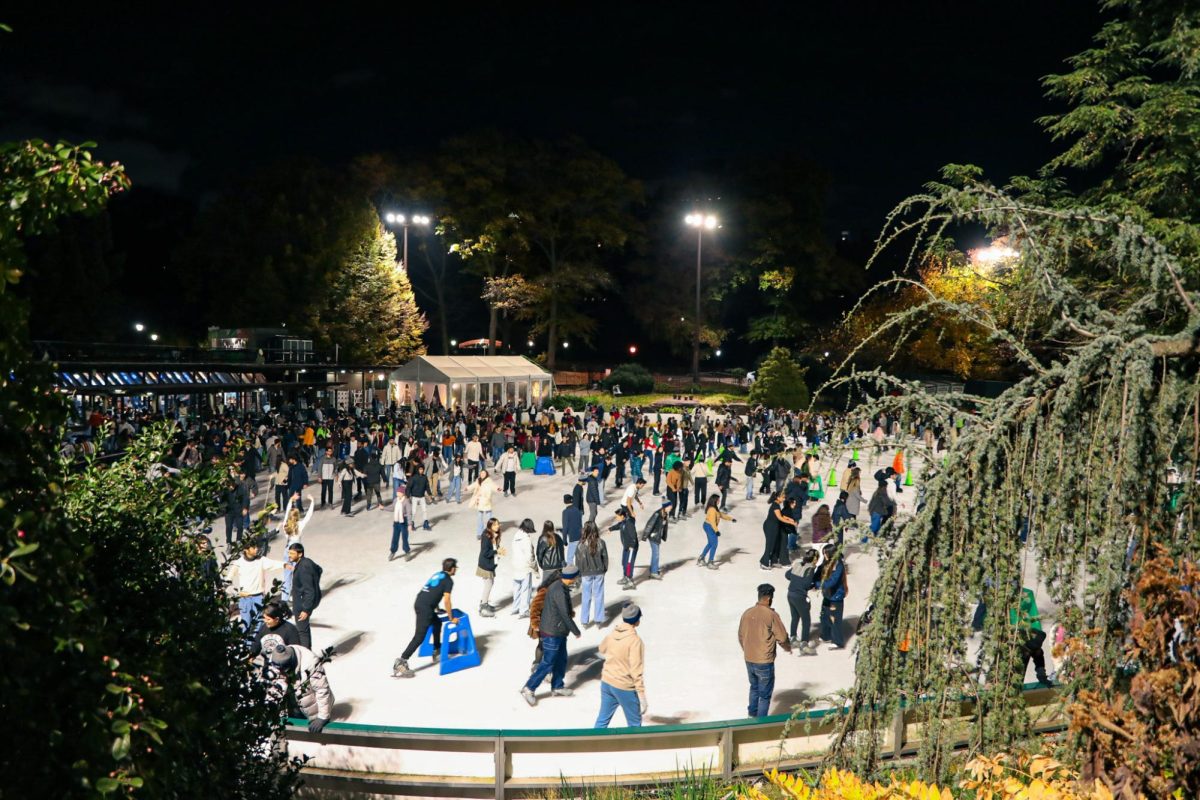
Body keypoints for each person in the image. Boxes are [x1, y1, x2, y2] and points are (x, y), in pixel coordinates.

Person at [521, 564, 582, 706]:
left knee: (561, 659)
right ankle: (529, 688)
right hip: (552, 632)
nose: (577, 579)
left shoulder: (559, 586)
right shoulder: (559, 590)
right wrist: (576, 631)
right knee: (548, 662)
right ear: (571, 577)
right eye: (576, 576)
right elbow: (564, 614)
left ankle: (557, 686)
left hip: (558, 631)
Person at [393, 558, 459, 678]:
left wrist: (437, 609)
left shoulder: (438, 575)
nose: (456, 570)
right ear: (452, 568)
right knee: (419, 636)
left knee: (437, 623)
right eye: (456, 568)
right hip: (425, 608)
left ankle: (437, 649)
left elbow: (433, 591)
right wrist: (451, 618)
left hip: (420, 602)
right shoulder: (449, 581)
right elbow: (447, 600)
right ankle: (401, 661)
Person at [738, 583, 792, 718]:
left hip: (749, 659)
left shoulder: (747, 613)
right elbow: (783, 637)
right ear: (769, 599)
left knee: (754, 688)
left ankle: (751, 716)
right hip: (764, 661)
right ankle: (760, 723)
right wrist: (787, 647)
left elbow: (740, 635)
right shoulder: (771, 615)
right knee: (765, 695)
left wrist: (747, 650)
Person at [262, 635, 334, 733]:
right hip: (294, 701)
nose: (281, 673)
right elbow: (275, 684)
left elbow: (322, 690)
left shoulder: (311, 663)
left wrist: (322, 717)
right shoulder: (276, 658)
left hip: (312, 703)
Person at [595, 603, 648, 728]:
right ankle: (636, 747)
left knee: (602, 720)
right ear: (637, 621)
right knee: (634, 725)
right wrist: (641, 695)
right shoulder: (635, 641)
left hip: (607, 682)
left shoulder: (612, 634)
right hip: (624, 686)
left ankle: (593, 745)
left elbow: (602, 649)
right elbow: (636, 670)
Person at [225, 538, 285, 634]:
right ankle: (247, 647)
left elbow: (274, 564)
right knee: (246, 624)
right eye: (253, 547)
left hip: (259, 597)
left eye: (256, 547)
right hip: (245, 599)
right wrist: (237, 592)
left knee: (259, 624)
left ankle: (255, 646)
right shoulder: (238, 563)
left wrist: (286, 565)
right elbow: (228, 579)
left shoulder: (261, 560)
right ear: (246, 550)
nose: (256, 549)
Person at [287, 543, 322, 649]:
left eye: (292, 553)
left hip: (302, 603)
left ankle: (306, 654)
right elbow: (319, 569)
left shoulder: (303, 568)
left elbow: (309, 591)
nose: (289, 555)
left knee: (302, 631)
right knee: (304, 629)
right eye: (289, 553)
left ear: (300, 554)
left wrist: (306, 609)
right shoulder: (307, 562)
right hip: (305, 601)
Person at [785, 549, 819, 654]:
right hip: (800, 596)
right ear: (814, 559)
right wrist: (813, 586)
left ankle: (793, 638)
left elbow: (787, 575)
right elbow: (806, 584)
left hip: (790, 594)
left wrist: (796, 580)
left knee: (795, 617)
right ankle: (804, 644)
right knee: (806, 620)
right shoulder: (810, 569)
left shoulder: (798, 564)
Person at [577, 521, 608, 627]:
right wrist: (604, 569)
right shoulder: (601, 542)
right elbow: (605, 558)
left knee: (586, 596)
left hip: (586, 573)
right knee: (599, 595)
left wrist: (580, 572)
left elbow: (578, 561)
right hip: (599, 572)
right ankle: (598, 619)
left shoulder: (581, 544)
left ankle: (584, 621)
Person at [818, 545, 847, 649]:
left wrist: (819, 585)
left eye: (825, 553)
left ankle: (837, 641)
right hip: (827, 595)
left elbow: (833, 581)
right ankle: (826, 635)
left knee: (835, 619)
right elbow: (819, 572)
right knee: (824, 615)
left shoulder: (838, 565)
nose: (824, 555)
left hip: (836, 597)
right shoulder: (826, 562)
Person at [509, 518, 538, 618]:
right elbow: (529, 556)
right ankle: (524, 610)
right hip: (524, 567)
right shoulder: (526, 539)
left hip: (515, 565)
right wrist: (534, 567)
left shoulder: (516, 535)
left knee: (516, 587)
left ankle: (515, 607)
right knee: (526, 588)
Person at [761, 491, 796, 570]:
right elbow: (780, 518)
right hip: (770, 527)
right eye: (783, 497)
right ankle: (764, 563)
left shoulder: (777, 505)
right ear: (777, 497)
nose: (784, 499)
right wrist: (790, 522)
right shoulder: (775, 506)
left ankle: (773, 561)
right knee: (769, 546)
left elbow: (781, 515)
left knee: (774, 545)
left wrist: (789, 518)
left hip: (773, 527)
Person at [698, 495, 734, 569]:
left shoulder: (715, 508)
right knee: (714, 544)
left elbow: (721, 515)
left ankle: (701, 558)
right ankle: (710, 562)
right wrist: (716, 531)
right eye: (718, 500)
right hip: (709, 526)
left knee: (710, 543)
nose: (719, 501)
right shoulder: (712, 510)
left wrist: (731, 519)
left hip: (709, 526)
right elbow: (712, 522)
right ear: (714, 501)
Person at [477, 518, 503, 618]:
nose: (497, 526)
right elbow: (485, 552)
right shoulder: (486, 536)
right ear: (490, 526)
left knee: (490, 583)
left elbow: (494, 548)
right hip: (485, 565)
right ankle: (483, 607)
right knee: (488, 584)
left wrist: (498, 548)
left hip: (490, 564)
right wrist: (497, 552)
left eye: (498, 524)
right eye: (495, 525)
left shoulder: (494, 535)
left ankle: (485, 603)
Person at [609, 506, 639, 589]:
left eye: (617, 516)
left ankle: (630, 581)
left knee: (629, 564)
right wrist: (610, 529)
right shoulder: (623, 522)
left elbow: (633, 536)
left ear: (622, 516)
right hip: (626, 546)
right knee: (624, 562)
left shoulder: (629, 523)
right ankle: (625, 577)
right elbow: (618, 526)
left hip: (631, 547)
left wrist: (632, 546)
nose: (616, 518)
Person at [641, 499, 671, 580]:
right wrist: (645, 536)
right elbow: (649, 524)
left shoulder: (664, 513)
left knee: (655, 554)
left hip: (657, 536)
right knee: (656, 554)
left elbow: (663, 526)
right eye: (669, 506)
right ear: (665, 507)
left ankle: (653, 569)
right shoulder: (657, 514)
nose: (671, 507)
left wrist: (663, 535)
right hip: (653, 536)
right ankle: (654, 572)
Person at [467, 469, 498, 538]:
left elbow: (494, 486)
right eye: (481, 473)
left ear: (486, 474)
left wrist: (497, 488)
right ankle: (480, 533)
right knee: (479, 518)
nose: (482, 474)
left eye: (484, 473)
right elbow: (473, 485)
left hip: (486, 500)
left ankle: (490, 532)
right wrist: (468, 488)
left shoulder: (489, 481)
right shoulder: (478, 480)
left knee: (489, 518)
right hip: (480, 501)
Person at [389, 484, 411, 561]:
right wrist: (383, 508)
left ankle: (407, 552)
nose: (397, 493)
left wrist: (409, 524)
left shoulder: (406, 501)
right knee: (395, 537)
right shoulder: (396, 500)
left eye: (399, 492)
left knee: (404, 538)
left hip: (403, 521)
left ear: (403, 493)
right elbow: (392, 508)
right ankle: (393, 551)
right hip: (396, 521)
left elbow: (408, 513)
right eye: (397, 492)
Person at [562, 493, 583, 565]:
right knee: (579, 557)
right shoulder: (577, 510)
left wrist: (564, 540)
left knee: (570, 558)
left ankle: (572, 574)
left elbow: (565, 527)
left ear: (564, 502)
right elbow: (580, 523)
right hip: (580, 536)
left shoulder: (565, 512)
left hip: (572, 537)